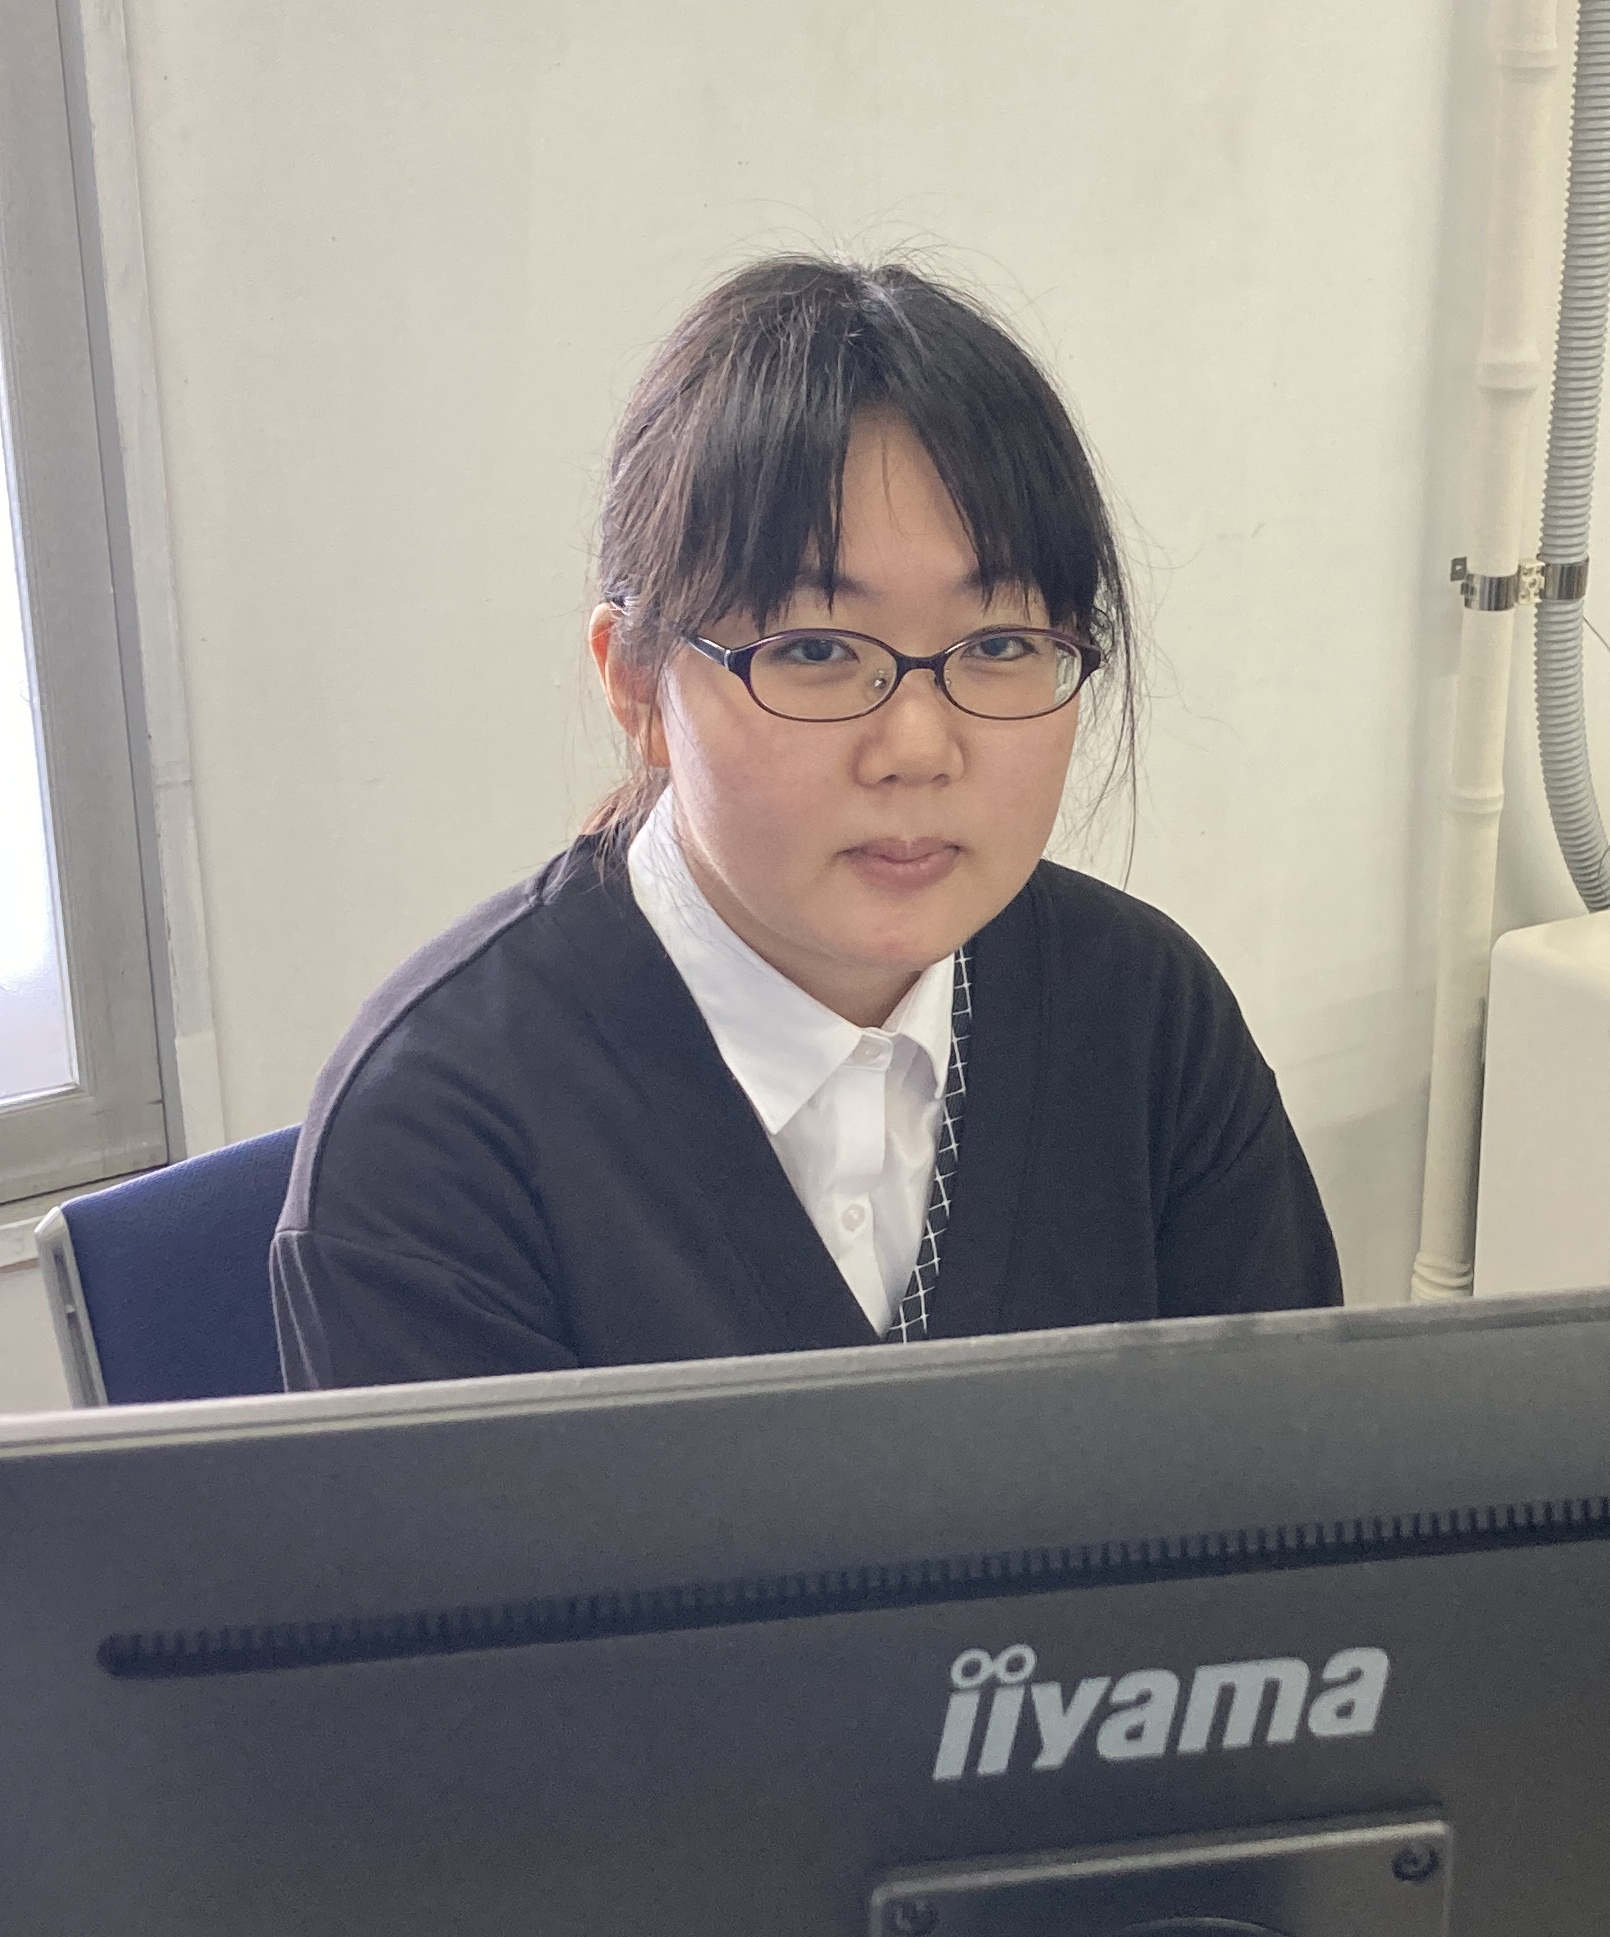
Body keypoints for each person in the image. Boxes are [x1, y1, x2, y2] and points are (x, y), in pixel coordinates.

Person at [273, 257, 1341, 1386]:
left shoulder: (1146, 1019)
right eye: (817, 649)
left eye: (1001, 645)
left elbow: (1291, 1468)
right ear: (635, 683)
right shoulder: (436, 1140)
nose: (918, 748)